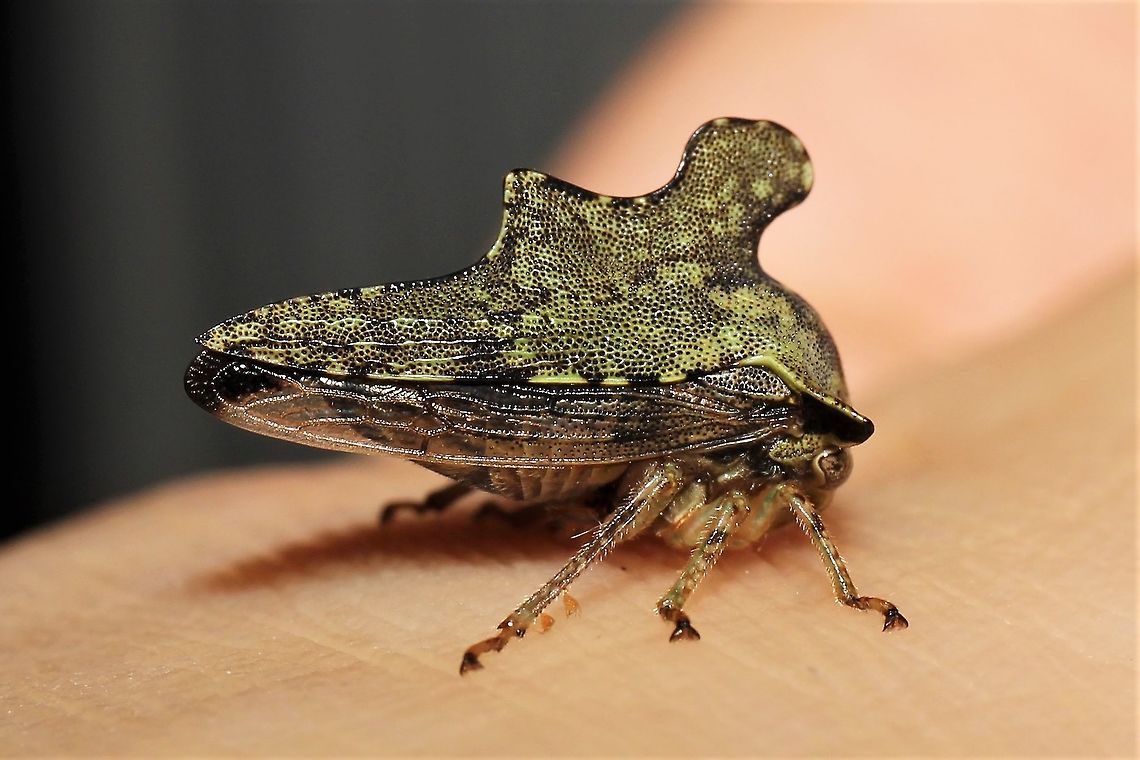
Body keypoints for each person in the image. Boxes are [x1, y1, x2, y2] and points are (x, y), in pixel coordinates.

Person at [2, 3, 1133, 755]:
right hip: (569, 418)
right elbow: (680, 490)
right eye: (814, 460)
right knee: (651, 476)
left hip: (585, 432)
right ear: (793, 420)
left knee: (662, 477)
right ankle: (533, 606)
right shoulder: (754, 418)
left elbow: (729, 489)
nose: (816, 485)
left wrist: (723, 579)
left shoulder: (771, 431)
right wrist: (696, 591)